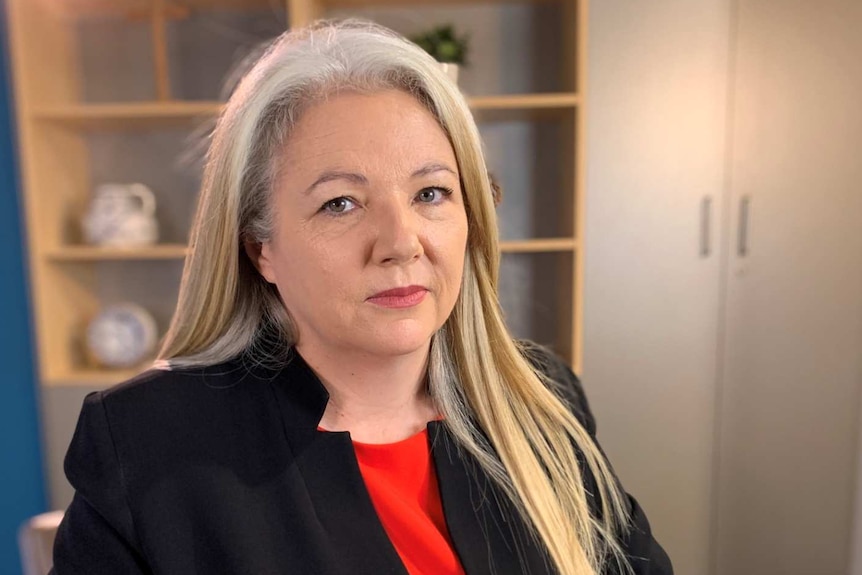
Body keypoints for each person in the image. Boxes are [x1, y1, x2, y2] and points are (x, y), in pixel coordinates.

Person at [52, 20, 672, 575]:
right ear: (259, 248)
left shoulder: (543, 401)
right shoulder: (147, 443)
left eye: (431, 193)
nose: (401, 243)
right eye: (340, 203)